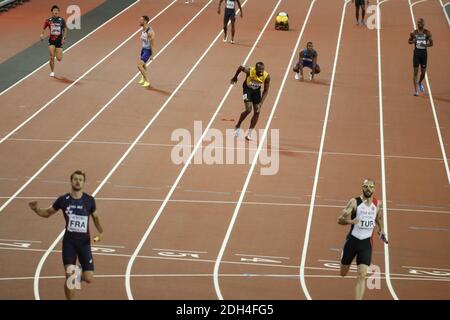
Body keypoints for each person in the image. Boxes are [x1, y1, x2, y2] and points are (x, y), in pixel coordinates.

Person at [28, 170, 103, 300]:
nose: (78, 181)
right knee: (71, 277)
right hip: (70, 243)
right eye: (75, 179)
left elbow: (95, 217)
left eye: (80, 179)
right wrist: (36, 209)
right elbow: (47, 213)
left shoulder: (89, 200)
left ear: (84, 183)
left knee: (88, 278)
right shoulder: (63, 200)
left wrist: (101, 232)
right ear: (71, 181)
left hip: (84, 243)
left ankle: (75, 274)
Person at [337, 179, 387, 300]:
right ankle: (344, 255)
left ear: (374, 189)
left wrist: (382, 229)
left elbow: (378, 218)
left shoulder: (378, 204)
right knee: (343, 273)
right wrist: (350, 221)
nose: (368, 189)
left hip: (366, 244)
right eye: (366, 186)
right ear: (362, 188)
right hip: (352, 241)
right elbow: (340, 220)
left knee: (362, 275)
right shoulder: (354, 202)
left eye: (371, 187)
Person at [231, 62, 270, 141]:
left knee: (257, 111)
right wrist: (235, 77)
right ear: (255, 69)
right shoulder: (249, 71)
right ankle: (238, 125)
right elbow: (240, 67)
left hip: (256, 91)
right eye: (259, 70)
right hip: (247, 89)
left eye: (262, 70)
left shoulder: (266, 77)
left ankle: (249, 133)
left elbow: (265, 91)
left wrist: (260, 104)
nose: (261, 72)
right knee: (248, 109)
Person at [40, 5, 67, 77]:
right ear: (52, 12)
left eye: (57, 10)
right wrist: (42, 34)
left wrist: (64, 38)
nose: (55, 12)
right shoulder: (48, 20)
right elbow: (44, 27)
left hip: (59, 42)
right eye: (54, 10)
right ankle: (52, 71)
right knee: (52, 56)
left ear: (58, 11)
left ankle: (58, 51)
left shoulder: (62, 20)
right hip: (51, 41)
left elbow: (65, 29)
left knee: (59, 59)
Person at [408, 18, 433, 96]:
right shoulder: (413, 33)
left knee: (423, 72)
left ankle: (419, 82)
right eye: (418, 23)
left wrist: (425, 45)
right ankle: (416, 91)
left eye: (420, 23)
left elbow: (432, 44)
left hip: (424, 54)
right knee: (415, 71)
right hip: (416, 53)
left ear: (423, 24)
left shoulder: (428, 33)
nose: (419, 24)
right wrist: (413, 41)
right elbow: (409, 41)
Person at [137, 15, 155, 88]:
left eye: (141, 20)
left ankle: (147, 81)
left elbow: (153, 45)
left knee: (139, 65)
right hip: (143, 49)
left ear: (145, 21)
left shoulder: (149, 32)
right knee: (143, 65)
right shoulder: (143, 29)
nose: (139, 21)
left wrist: (152, 55)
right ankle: (143, 78)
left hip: (148, 50)